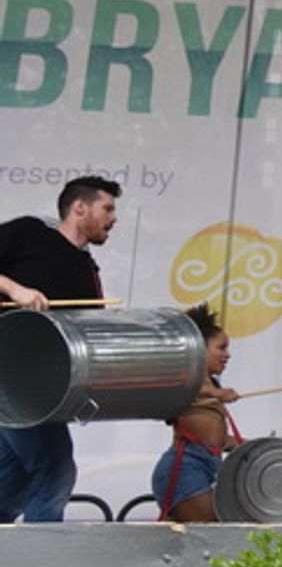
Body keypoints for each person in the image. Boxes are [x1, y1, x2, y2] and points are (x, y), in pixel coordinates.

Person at [0, 175, 121, 522]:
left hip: (41, 388)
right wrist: (14, 289)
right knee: (54, 470)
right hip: (11, 379)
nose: (114, 218)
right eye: (108, 208)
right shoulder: (29, 233)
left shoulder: (87, 269)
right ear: (80, 207)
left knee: (14, 476)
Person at [151, 304, 240, 522]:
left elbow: (215, 439)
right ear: (199, 347)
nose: (227, 355)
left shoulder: (208, 384)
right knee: (209, 537)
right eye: (222, 348)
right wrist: (216, 393)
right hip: (185, 467)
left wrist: (249, 446)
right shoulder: (185, 379)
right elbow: (184, 389)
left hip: (207, 465)